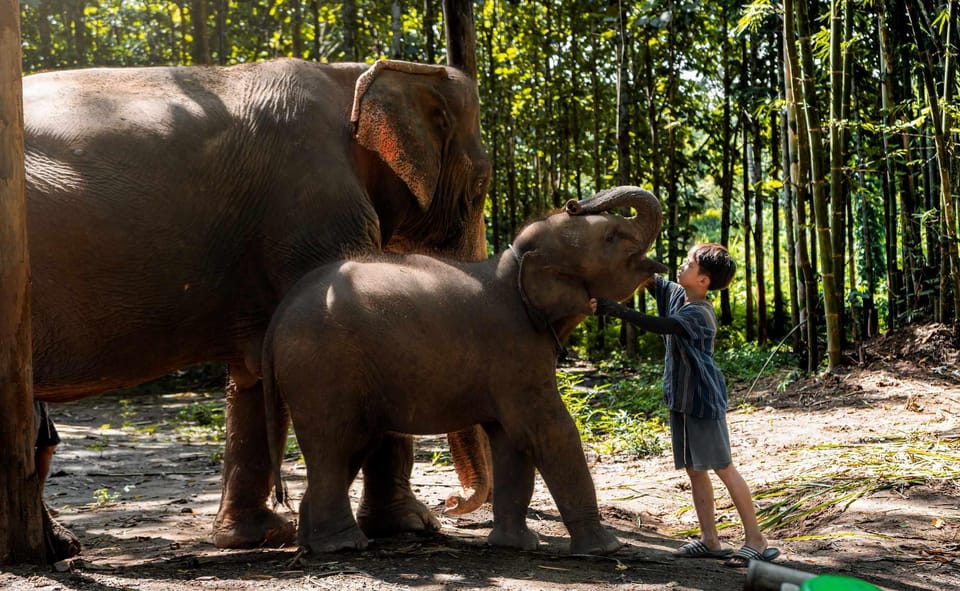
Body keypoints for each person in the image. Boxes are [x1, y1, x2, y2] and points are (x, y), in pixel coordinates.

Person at [590, 243, 778, 568]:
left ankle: (756, 540)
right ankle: (710, 539)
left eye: (689, 264)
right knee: (694, 470)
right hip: (680, 398)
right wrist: (629, 253)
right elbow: (651, 279)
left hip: (702, 401)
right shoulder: (679, 295)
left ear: (703, 280)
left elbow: (663, 326)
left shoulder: (699, 313)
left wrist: (614, 309)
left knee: (723, 467)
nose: (683, 266)